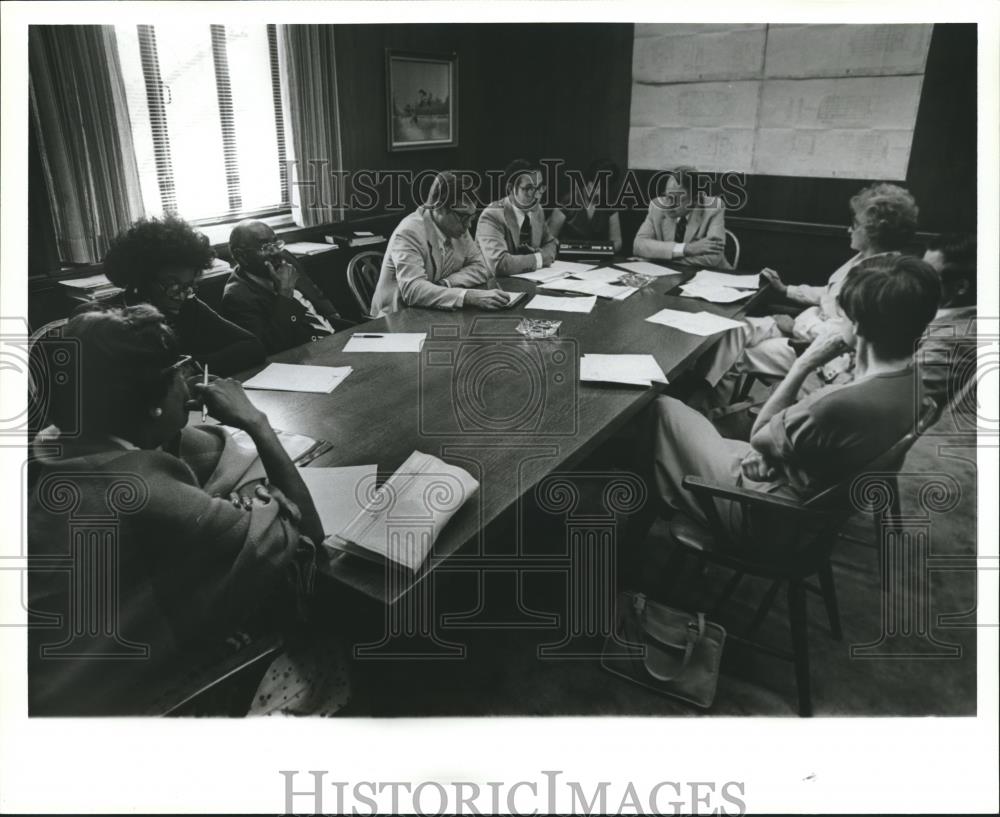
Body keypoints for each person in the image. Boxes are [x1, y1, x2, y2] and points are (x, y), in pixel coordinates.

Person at [27, 305, 346, 716]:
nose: (190, 378)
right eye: (178, 370)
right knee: (329, 644)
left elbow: (189, 449)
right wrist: (257, 423)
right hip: (131, 707)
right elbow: (302, 536)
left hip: (48, 681)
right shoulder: (145, 496)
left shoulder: (66, 446)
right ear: (150, 405)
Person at [643, 254, 940, 539]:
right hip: (799, 496)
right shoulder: (914, 383)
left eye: (842, 317)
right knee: (696, 424)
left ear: (858, 325)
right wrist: (781, 461)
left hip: (760, 511)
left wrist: (803, 365)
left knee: (660, 406)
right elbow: (803, 446)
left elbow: (759, 435)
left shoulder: (834, 403)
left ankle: (640, 526)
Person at [699, 182, 919, 390]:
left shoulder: (882, 278)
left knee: (735, 358)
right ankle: (703, 392)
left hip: (823, 352)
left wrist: (794, 325)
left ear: (874, 232)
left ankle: (706, 404)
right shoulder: (862, 259)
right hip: (807, 328)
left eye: (855, 225)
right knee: (733, 331)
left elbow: (843, 336)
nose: (848, 230)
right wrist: (785, 289)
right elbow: (829, 293)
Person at [101, 215, 264, 376]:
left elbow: (252, 346)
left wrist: (193, 366)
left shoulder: (189, 306)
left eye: (188, 286)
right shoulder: (107, 320)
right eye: (173, 285)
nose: (181, 296)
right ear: (143, 279)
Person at [370, 171, 510, 317]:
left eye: (472, 217)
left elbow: (481, 268)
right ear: (439, 207)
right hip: (397, 319)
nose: (468, 225)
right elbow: (413, 290)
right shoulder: (409, 232)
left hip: (431, 312)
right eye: (464, 217)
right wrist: (467, 296)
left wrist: (446, 284)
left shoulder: (458, 227)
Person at [221, 220, 348, 355]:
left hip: (335, 336)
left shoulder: (285, 258)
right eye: (265, 247)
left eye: (276, 244)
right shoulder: (237, 297)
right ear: (242, 256)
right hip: (305, 357)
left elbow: (315, 294)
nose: (275, 252)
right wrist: (285, 294)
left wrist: (333, 315)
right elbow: (269, 349)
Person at [919, 233, 978, 411]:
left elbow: (900, 399)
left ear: (960, 287)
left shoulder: (949, 341)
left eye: (927, 276)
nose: (915, 281)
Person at [632, 166, 728, 269]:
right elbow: (639, 245)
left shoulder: (713, 208)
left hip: (712, 277)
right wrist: (686, 249)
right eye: (667, 196)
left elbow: (712, 258)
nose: (668, 204)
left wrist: (660, 257)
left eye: (676, 199)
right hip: (670, 275)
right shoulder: (657, 207)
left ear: (695, 200)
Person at [476, 158, 559, 277]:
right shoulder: (492, 215)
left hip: (533, 281)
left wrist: (542, 254)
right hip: (496, 287)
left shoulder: (537, 210)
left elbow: (551, 242)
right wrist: (539, 259)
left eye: (540, 187)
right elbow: (500, 265)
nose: (537, 195)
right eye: (528, 188)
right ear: (511, 189)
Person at [547, 158, 623, 253]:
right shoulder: (567, 201)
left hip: (599, 260)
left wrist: (598, 251)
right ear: (588, 182)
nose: (599, 193)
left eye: (604, 188)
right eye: (596, 187)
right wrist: (566, 248)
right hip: (568, 260)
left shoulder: (609, 204)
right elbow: (549, 240)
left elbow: (617, 242)